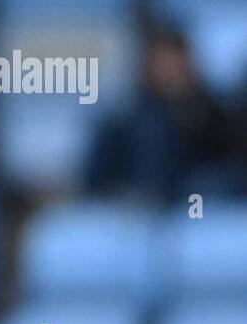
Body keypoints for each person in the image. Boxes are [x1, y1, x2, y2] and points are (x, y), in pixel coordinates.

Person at [86, 26, 235, 202]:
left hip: (192, 197)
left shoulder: (214, 111)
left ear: (187, 61)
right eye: (160, 63)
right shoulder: (129, 117)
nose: (166, 70)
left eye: (172, 61)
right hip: (135, 200)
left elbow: (223, 159)